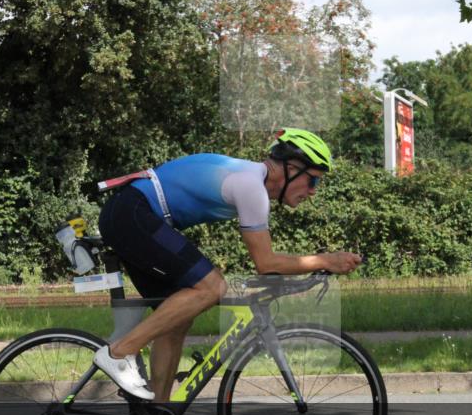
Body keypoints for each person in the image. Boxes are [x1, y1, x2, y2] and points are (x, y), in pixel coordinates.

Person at [92, 128, 362, 400]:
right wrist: (327, 259)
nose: (313, 192)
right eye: (313, 181)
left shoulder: (252, 181)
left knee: (175, 318)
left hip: (136, 214)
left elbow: (265, 260)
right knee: (212, 287)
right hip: (133, 212)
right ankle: (119, 353)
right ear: (291, 168)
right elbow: (266, 263)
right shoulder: (251, 187)